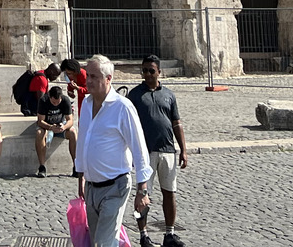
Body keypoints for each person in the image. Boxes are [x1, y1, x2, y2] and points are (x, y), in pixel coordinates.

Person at [76, 57, 151, 247]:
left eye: (94, 76)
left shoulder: (122, 107)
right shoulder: (85, 103)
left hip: (115, 187)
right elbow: (83, 139)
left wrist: (142, 189)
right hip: (91, 187)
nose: (89, 80)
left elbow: (139, 147)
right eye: (87, 75)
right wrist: (81, 175)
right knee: (96, 242)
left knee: (103, 243)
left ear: (108, 78)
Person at [126, 55, 187, 247]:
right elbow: (127, 125)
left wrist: (183, 150)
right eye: (144, 70)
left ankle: (169, 234)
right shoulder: (134, 95)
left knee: (170, 193)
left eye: (151, 70)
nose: (147, 74)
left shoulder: (169, 94)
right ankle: (143, 236)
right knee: (143, 195)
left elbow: (177, 123)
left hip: (167, 149)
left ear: (159, 72)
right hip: (145, 153)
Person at [32, 84, 77, 178]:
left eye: (58, 102)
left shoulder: (65, 100)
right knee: (39, 133)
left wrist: (64, 127)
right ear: (50, 97)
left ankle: (75, 165)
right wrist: (50, 127)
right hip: (47, 127)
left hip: (60, 126)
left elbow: (70, 120)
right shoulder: (43, 101)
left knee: (73, 132)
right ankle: (42, 166)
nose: (56, 104)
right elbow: (40, 121)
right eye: (54, 102)